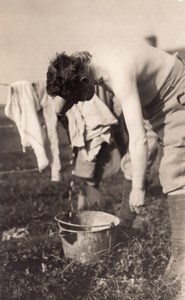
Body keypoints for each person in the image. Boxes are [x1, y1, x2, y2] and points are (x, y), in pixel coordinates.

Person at [46, 41, 185, 297]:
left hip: (175, 92)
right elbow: (59, 104)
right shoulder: (83, 66)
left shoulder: (118, 72)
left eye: (79, 97)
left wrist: (139, 190)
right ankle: (125, 231)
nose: (80, 102)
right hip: (151, 103)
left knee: (175, 170)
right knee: (134, 165)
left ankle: (182, 253)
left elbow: (138, 138)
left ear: (86, 79)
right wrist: (64, 100)